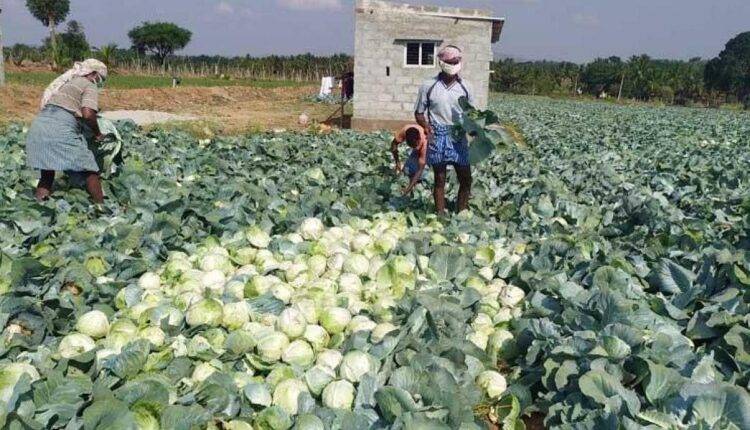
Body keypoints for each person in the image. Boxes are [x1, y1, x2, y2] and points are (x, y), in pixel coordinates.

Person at [25, 59, 108, 203]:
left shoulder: (67, 83)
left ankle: (39, 204)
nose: (99, 82)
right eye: (100, 79)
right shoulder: (88, 85)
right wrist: (98, 133)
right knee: (89, 169)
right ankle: (101, 208)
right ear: (93, 73)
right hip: (59, 129)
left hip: (39, 126)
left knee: (47, 174)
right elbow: (88, 114)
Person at [414, 45, 474, 214]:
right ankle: (440, 213)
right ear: (441, 62)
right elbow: (419, 113)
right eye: (450, 61)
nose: (454, 64)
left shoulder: (466, 87)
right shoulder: (429, 86)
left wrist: (474, 131)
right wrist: (427, 128)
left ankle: (461, 211)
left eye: (457, 61)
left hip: (458, 135)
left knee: (466, 178)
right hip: (438, 135)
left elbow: (471, 114)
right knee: (439, 178)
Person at [390, 124, 427, 195]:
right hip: (418, 149)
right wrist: (397, 162)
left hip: (431, 149)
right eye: (411, 145)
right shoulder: (404, 131)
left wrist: (408, 189)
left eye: (415, 145)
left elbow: (420, 169)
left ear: (419, 139)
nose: (413, 147)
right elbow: (394, 144)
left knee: (422, 175)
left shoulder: (425, 143)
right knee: (406, 172)